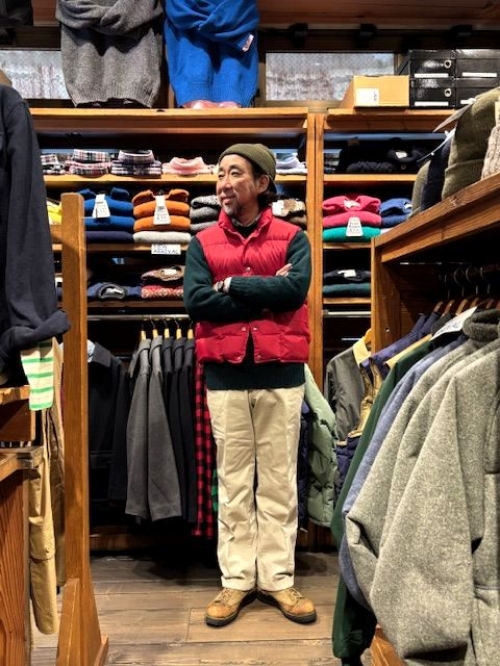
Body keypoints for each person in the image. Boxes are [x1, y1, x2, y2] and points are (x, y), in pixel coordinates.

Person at [183, 143, 316, 627]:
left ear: (262, 183)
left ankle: (278, 578)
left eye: (234, 173)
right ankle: (237, 579)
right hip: (225, 374)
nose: (223, 183)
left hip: (281, 373)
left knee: (278, 480)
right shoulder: (202, 243)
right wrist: (264, 291)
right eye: (220, 174)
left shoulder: (293, 237)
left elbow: (294, 291)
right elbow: (196, 302)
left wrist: (232, 285)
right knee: (234, 481)